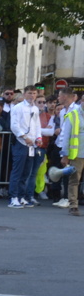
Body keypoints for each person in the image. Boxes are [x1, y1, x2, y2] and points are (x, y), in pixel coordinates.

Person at [7, 84, 44, 209]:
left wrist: (38, 138)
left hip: (32, 144)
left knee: (26, 172)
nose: (32, 96)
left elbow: (37, 125)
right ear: (24, 94)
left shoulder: (35, 109)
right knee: (17, 171)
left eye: (34, 93)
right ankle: (13, 198)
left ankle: (22, 196)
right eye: (29, 93)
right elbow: (14, 126)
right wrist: (24, 137)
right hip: (21, 143)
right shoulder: (18, 108)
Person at [55, 86, 82, 216]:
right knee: (74, 179)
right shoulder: (73, 114)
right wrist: (64, 154)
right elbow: (66, 135)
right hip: (77, 153)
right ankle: (73, 205)